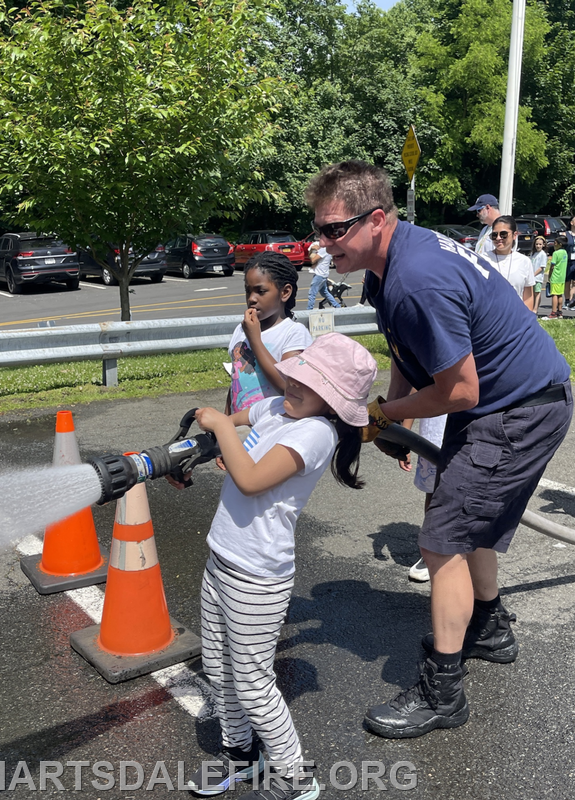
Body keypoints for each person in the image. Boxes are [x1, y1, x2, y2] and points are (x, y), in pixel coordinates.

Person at [306, 160, 572, 739]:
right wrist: (391, 415)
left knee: (442, 537)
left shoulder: (417, 277)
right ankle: (491, 628)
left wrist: (383, 414)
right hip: (499, 403)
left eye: (333, 230)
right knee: (461, 518)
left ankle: (443, 693)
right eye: (319, 229)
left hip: (520, 408)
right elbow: (407, 353)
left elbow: (458, 390)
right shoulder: (387, 269)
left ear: (376, 220)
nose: (322, 243)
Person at [177, 333, 376, 800]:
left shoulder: (315, 433)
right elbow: (238, 422)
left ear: (334, 401)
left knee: (253, 682)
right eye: (296, 375)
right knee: (219, 667)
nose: (293, 384)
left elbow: (248, 480)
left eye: (308, 384)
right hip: (221, 558)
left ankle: (294, 775)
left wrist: (226, 436)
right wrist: (217, 437)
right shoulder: (277, 409)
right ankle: (241, 755)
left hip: (258, 577)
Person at [227, 252, 312, 414]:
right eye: (248, 291)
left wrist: (255, 340)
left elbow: (287, 386)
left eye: (261, 291)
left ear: (285, 292)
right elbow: (235, 383)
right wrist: (224, 423)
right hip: (239, 430)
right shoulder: (241, 329)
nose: (252, 298)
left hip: (272, 429)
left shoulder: (294, 333)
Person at [399, 415, 448, 582]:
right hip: (434, 434)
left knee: (468, 492)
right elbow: (413, 388)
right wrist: (403, 437)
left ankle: (467, 551)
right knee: (434, 492)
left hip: (471, 430)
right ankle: (432, 548)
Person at [482, 215, 535, 309]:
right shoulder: (482, 260)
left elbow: (528, 297)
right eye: (494, 235)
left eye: (503, 234)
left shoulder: (524, 261)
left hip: (515, 319)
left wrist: (527, 320)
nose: (498, 238)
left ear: (514, 235)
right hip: (490, 318)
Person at [306, 240, 341, 310]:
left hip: (320, 275)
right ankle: (337, 306)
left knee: (312, 293)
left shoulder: (324, 250)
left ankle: (309, 310)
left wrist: (314, 249)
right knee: (325, 292)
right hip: (323, 274)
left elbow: (313, 260)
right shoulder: (327, 249)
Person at [544, 236, 568, 319]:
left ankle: (553, 312)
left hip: (556, 276)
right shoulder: (565, 252)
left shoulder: (556, 253)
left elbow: (552, 266)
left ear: (560, 244)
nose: (554, 245)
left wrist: (550, 275)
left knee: (554, 294)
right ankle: (559, 311)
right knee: (560, 294)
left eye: (555, 243)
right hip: (562, 277)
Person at [530, 236, 548, 315]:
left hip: (537, 277)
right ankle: (532, 306)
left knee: (537, 293)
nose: (538, 246)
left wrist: (534, 274)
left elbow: (541, 267)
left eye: (540, 244)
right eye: (537, 244)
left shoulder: (543, 254)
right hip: (531, 277)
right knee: (532, 293)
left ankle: (535, 308)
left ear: (543, 245)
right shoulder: (533, 254)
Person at [565, 216, 575, 308]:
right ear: (571, 223)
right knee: (567, 281)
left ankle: (573, 300)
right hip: (568, 260)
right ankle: (567, 300)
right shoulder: (566, 234)